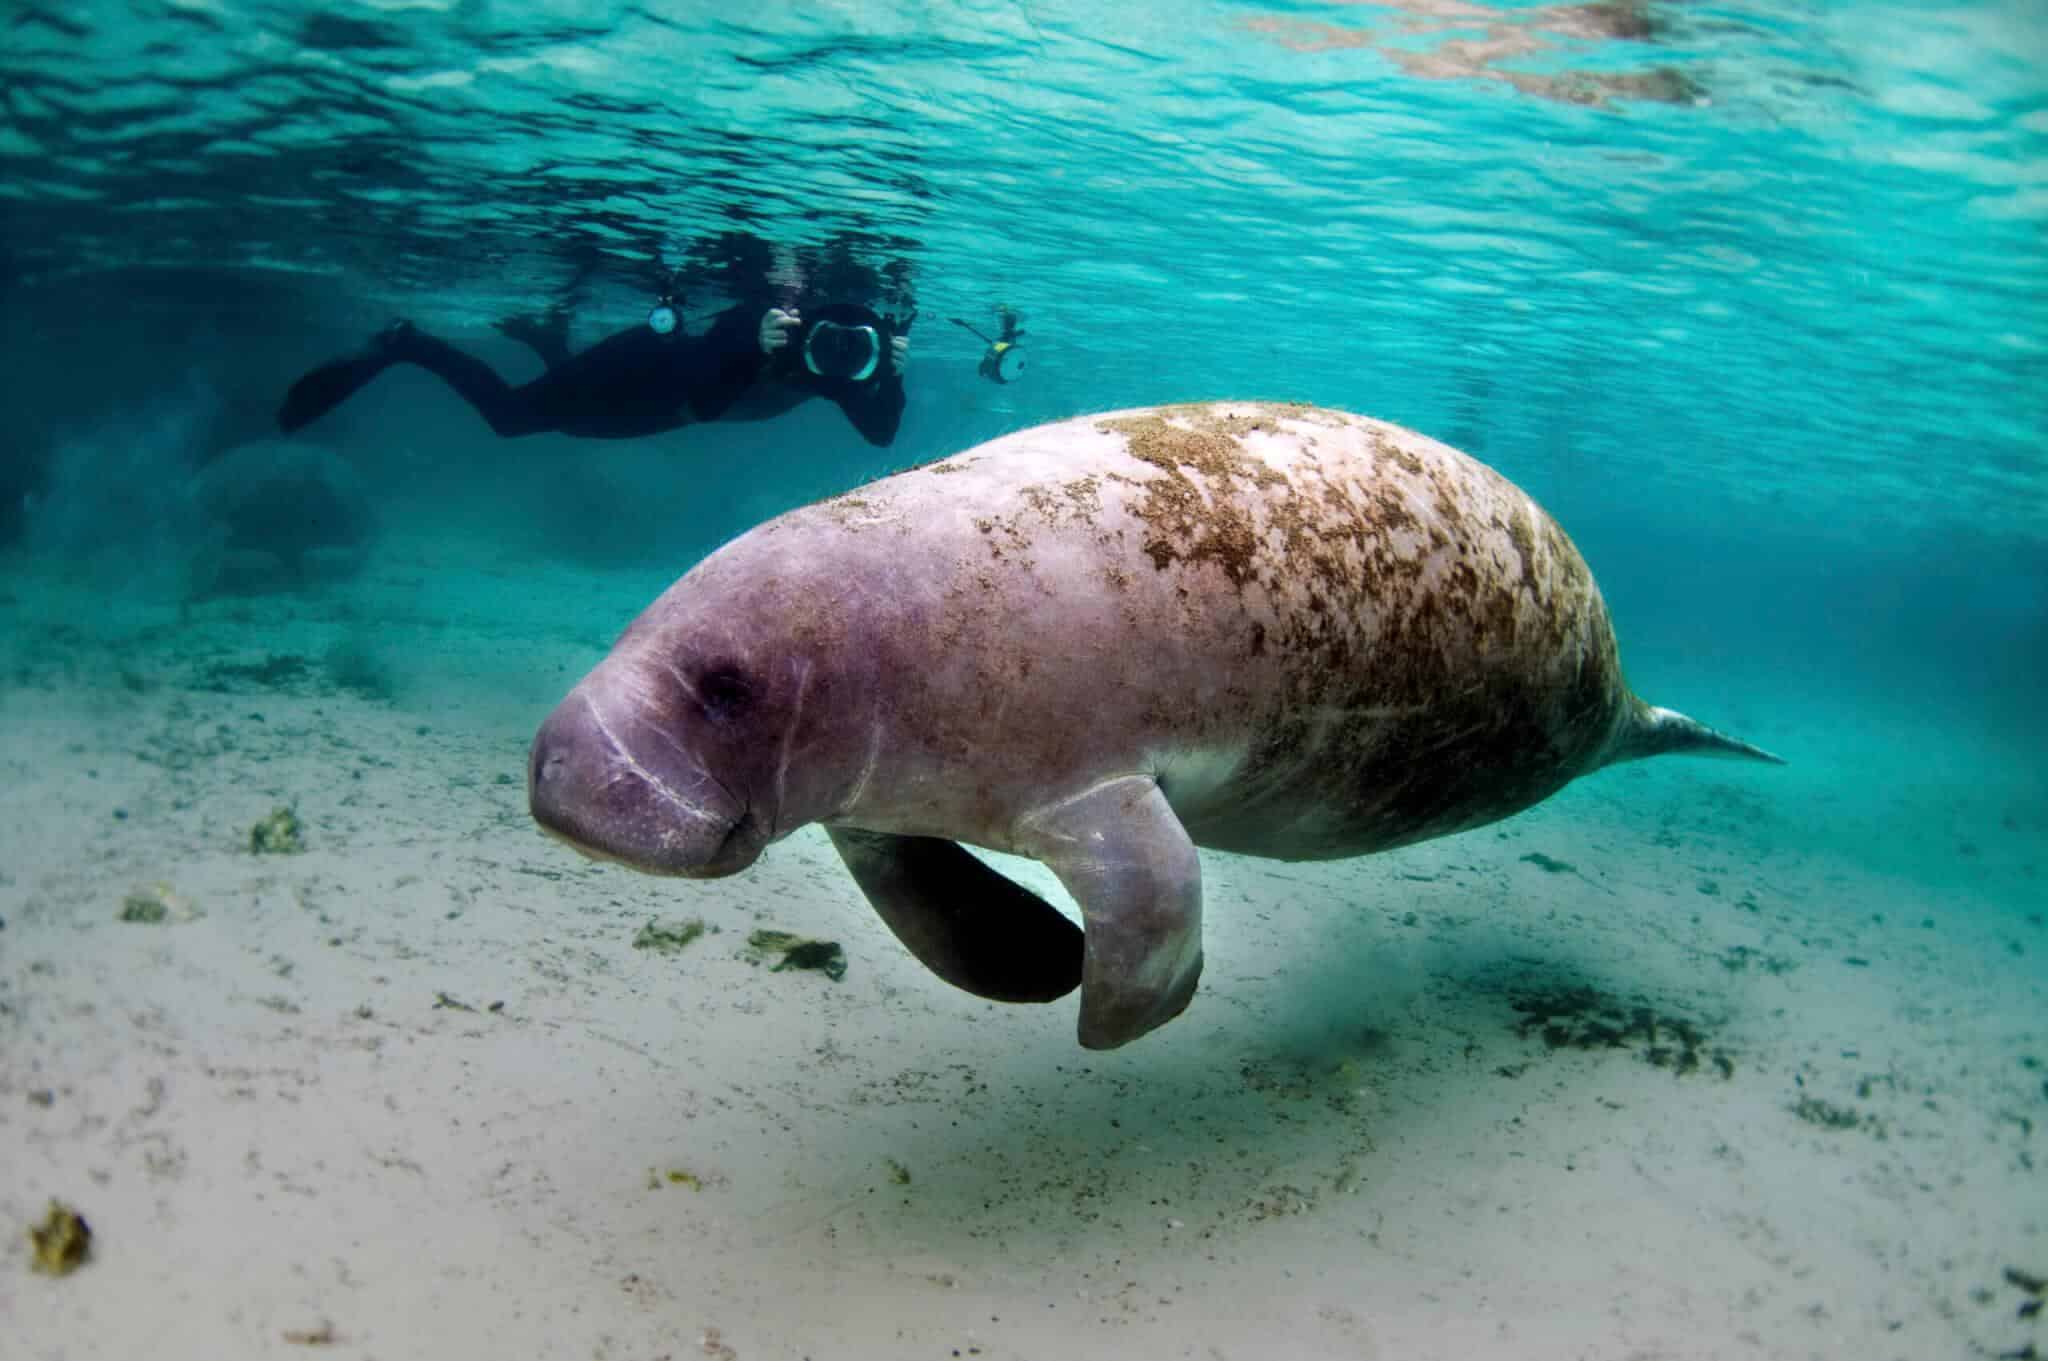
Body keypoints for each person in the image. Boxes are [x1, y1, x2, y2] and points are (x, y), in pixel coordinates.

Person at [276, 297, 912, 448]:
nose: (833, 355)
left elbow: (881, 434)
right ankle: (407, 344)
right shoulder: (770, 322)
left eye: (856, 350)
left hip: (664, 410)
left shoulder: (850, 372)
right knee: (511, 419)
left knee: (564, 423)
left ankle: (550, 341)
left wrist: (891, 375)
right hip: (641, 367)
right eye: (827, 339)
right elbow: (713, 388)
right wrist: (752, 339)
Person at [951, 304, 1025, 384]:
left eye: (1002, 322)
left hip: (1004, 354)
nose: (1000, 324)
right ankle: (1005, 312)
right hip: (1005, 355)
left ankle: (1004, 312)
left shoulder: (1007, 337)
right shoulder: (1008, 337)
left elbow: (986, 366)